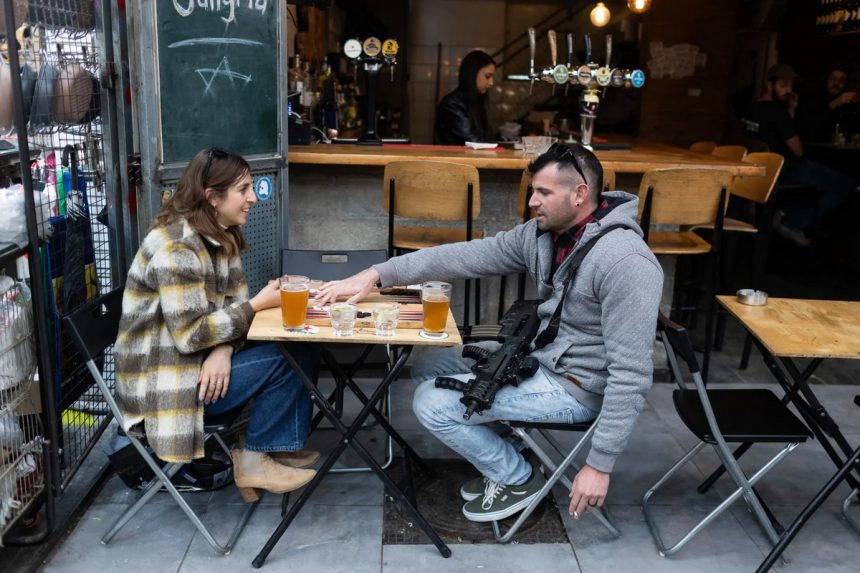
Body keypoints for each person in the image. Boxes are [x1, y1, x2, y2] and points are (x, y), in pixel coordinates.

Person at [316, 143, 663, 523]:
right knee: (428, 366)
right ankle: (513, 448)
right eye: (533, 190)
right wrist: (377, 274)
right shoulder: (544, 235)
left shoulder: (626, 261)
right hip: (541, 356)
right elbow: (464, 256)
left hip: (579, 384)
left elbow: (631, 375)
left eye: (543, 192)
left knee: (431, 404)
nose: (532, 201)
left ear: (579, 194)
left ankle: (517, 478)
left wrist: (599, 464)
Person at [115, 147, 319, 502]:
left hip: (194, 364)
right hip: (167, 389)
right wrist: (258, 305)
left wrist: (223, 349)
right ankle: (254, 458)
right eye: (243, 190)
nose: (253, 198)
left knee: (300, 342)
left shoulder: (221, 235)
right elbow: (191, 335)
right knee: (286, 358)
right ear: (212, 197)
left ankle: (275, 447)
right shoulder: (177, 249)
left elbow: (230, 307)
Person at [742, 64, 856, 247]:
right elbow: (798, 150)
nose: (789, 90)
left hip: (760, 170)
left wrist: (791, 111)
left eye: (790, 86)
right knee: (846, 183)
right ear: (769, 85)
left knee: (825, 175)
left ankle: (784, 213)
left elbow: (775, 132)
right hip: (785, 169)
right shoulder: (776, 111)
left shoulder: (751, 108)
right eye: (783, 85)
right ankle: (792, 220)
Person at [434, 50, 496, 145]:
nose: (491, 83)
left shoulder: (477, 101)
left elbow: (486, 138)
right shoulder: (452, 104)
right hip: (453, 155)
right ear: (472, 74)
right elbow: (473, 141)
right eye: (487, 77)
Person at [797, 65, 860, 143]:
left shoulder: (847, 103)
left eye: (842, 80)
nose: (837, 83)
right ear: (826, 80)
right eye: (833, 79)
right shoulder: (812, 97)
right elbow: (810, 128)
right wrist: (834, 103)